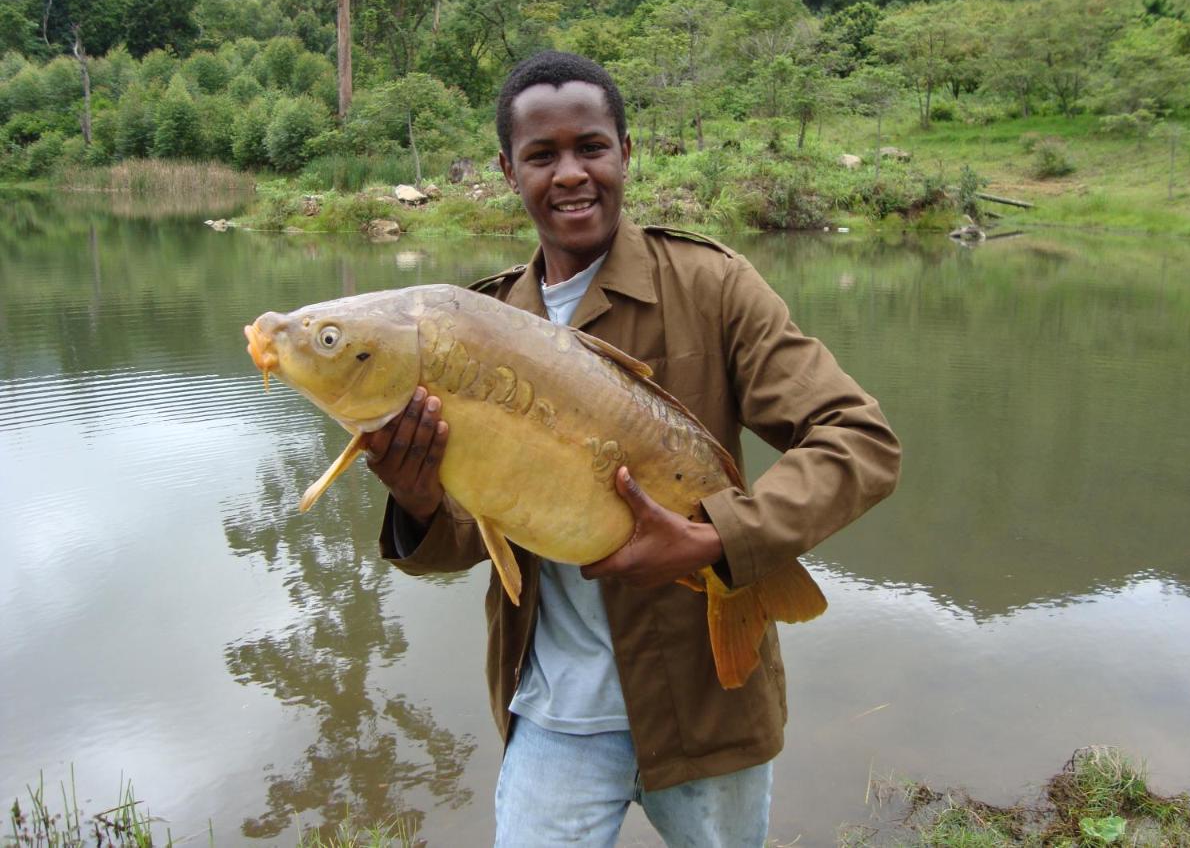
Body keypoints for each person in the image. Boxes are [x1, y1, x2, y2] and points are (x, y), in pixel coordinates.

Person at [364, 51, 901, 847]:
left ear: (626, 151)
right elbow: (473, 538)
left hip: (708, 707)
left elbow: (860, 441)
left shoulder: (713, 287)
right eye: (543, 156)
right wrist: (416, 501)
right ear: (508, 171)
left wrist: (721, 540)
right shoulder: (475, 326)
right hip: (551, 713)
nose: (571, 174)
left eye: (592, 147)